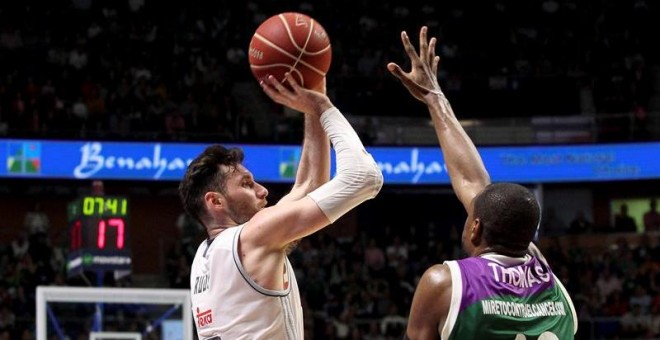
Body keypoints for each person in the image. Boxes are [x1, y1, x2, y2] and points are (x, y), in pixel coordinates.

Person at [387, 27, 578, 339]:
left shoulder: (444, 284)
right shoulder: (556, 291)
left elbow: (476, 187)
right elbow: (475, 185)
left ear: (475, 228)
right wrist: (436, 100)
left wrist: (435, 100)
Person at [179, 74, 383, 339]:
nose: (263, 190)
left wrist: (314, 98)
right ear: (215, 201)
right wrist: (324, 109)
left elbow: (309, 186)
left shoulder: (203, 257)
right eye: (247, 184)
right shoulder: (252, 236)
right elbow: (365, 178)